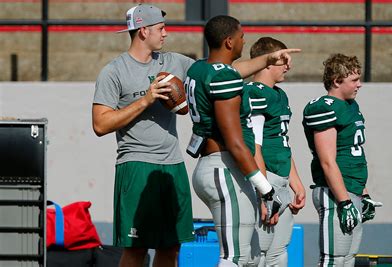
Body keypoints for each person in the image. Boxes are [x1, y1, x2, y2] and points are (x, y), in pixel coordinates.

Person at [185, 15, 300, 266]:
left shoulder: (200, 68)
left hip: (212, 165)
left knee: (246, 256)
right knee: (234, 257)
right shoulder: (224, 78)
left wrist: (269, 58)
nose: (244, 40)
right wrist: (265, 188)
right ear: (229, 42)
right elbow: (236, 142)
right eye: (241, 36)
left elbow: (234, 72)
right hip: (224, 168)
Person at [92, 4, 195, 267]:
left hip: (173, 166)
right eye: (160, 29)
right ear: (143, 31)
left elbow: (215, 73)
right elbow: (100, 125)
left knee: (171, 248)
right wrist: (146, 100)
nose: (166, 34)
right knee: (136, 250)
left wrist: (264, 62)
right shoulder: (113, 71)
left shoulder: (173, 62)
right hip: (136, 165)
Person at [302, 53, 382, 266]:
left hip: (351, 188)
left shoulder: (351, 106)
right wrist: (344, 202)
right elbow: (327, 160)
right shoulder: (325, 106)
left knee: (348, 259)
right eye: (354, 80)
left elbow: (354, 154)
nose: (360, 85)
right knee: (333, 259)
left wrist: (363, 194)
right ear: (337, 81)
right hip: (335, 193)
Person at [245, 37, 306, 266]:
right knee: (258, 254)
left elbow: (282, 142)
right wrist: (263, 192)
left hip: (280, 180)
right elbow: (254, 147)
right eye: (283, 60)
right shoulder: (254, 92)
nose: (288, 66)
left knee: (278, 253)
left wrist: (296, 181)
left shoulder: (279, 94)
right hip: (265, 179)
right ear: (267, 62)